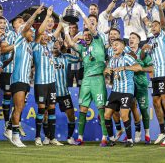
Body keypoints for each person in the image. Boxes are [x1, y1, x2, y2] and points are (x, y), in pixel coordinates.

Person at [64, 16, 108, 147]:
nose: (87, 36)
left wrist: (81, 13)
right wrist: (66, 29)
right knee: (82, 109)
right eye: (85, 35)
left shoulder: (98, 41)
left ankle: (105, 137)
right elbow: (70, 44)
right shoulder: (83, 48)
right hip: (86, 81)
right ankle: (80, 138)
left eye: (89, 34)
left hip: (98, 79)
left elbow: (92, 29)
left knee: (101, 109)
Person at [141, 0, 165, 146]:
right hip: (155, 75)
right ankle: (162, 131)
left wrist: (160, 7)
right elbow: (142, 58)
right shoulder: (151, 41)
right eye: (152, 26)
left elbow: (161, 21)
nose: (153, 27)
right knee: (156, 102)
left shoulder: (163, 35)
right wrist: (144, 49)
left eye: (155, 26)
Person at [8, 4, 44, 147]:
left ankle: (9, 129)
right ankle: (15, 137)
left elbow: (39, 34)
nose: (32, 34)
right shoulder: (20, 38)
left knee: (20, 107)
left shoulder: (29, 45)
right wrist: (36, 13)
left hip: (25, 81)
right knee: (18, 108)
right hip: (17, 79)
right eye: (31, 32)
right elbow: (28, 25)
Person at [32, 6, 63, 146]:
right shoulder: (36, 46)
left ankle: (52, 137)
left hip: (51, 83)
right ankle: (38, 137)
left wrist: (62, 19)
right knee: (41, 109)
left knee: (51, 110)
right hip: (40, 83)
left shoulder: (50, 46)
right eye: (43, 34)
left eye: (46, 34)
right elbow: (39, 32)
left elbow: (57, 30)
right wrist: (47, 15)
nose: (45, 36)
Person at [103, 38, 143, 147]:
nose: (114, 46)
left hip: (127, 91)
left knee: (124, 115)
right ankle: (111, 139)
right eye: (113, 45)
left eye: (116, 44)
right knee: (106, 115)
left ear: (123, 47)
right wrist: (106, 71)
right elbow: (107, 71)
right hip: (115, 90)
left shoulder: (127, 57)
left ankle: (130, 140)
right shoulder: (112, 60)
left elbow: (139, 67)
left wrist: (124, 68)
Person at [52, 39, 80, 145]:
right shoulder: (45, 57)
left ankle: (69, 137)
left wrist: (71, 46)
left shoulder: (66, 57)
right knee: (46, 114)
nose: (55, 45)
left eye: (58, 44)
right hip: (51, 92)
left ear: (61, 46)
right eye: (53, 43)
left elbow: (78, 59)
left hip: (64, 93)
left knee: (71, 115)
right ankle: (47, 137)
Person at [128, 32, 153, 144]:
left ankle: (147, 133)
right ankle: (137, 131)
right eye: (130, 38)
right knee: (130, 108)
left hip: (141, 85)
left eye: (133, 38)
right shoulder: (126, 53)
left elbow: (152, 67)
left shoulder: (143, 54)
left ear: (138, 41)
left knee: (143, 109)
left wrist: (140, 68)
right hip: (129, 85)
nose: (131, 39)